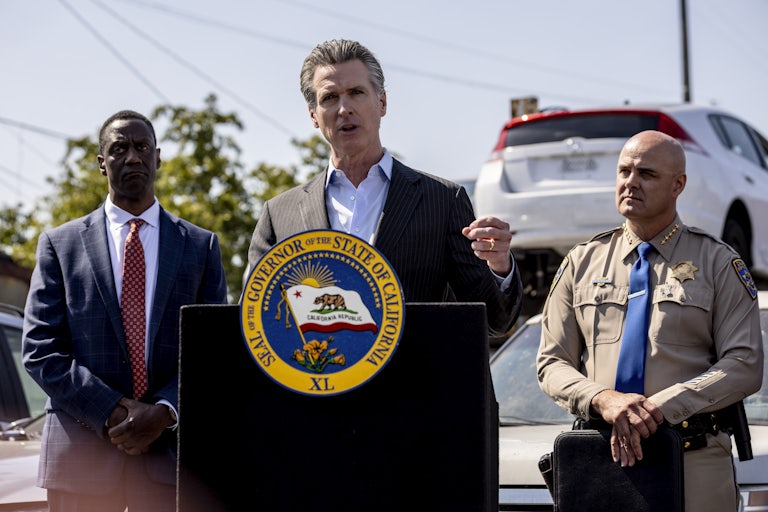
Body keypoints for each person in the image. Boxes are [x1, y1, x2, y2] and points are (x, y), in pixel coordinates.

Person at [536, 130, 763, 511]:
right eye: (624, 171)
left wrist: (660, 407)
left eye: (647, 174)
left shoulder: (718, 262)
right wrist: (603, 399)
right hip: (601, 460)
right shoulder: (582, 262)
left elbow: (744, 364)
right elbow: (551, 362)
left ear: (679, 184)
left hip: (694, 463)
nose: (631, 182)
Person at [22, 110, 228, 512]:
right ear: (102, 163)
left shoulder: (200, 248)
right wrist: (113, 410)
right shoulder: (59, 246)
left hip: (170, 464)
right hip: (81, 463)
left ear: (158, 158)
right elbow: (40, 349)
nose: (132, 157)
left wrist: (165, 412)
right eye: (119, 148)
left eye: (142, 147)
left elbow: (212, 354)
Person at [245, 39, 522, 336]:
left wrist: (498, 265)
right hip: (317, 375)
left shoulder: (443, 201)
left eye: (356, 93)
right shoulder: (279, 214)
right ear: (313, 115)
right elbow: (254, 321)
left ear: (382, 103)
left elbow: (495, 321)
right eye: (329, 98)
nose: (344, 109)